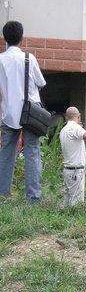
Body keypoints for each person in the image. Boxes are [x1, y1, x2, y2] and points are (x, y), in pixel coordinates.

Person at [0, 21, 46, 201]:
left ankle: (3, 194)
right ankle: (33, 197)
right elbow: (41, 83)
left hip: (8, 113)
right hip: (30, 114)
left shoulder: (1, 59)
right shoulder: (29, 58)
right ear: (22, 38)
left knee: (6, 154)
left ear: (5, 39)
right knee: (32, 153)